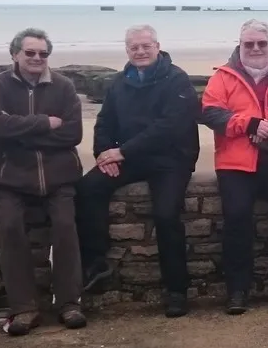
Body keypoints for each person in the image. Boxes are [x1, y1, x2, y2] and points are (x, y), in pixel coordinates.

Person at [75, 25, 201, 317]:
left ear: (157, 46)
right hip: (131, 158)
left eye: (146, 46)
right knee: (87, 188)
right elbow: (105, 121)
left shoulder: (177, 79)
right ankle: (96, 261)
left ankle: (177, 290)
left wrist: (123, 152)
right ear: (127, 50)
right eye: (134, 47)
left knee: (166, 215)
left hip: (171, 159)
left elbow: (169, 127)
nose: (140, 51)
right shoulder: (120, 82)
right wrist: (104, 155)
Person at [202, 19, 268, 314]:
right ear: (240, 45)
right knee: (237, 216)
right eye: (249, 43)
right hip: (235, 162)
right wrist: (249, 124)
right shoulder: (222, 78)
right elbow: (211, 114)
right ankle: (238, 288)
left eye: (261, 43)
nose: (255, 48)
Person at [0, 28, 88, 335]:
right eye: (30, 53)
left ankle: (69, 303)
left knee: (66, 227)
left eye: (43, 53)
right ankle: (24, 308)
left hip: (59, 177)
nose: (37, 58)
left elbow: (73, 134)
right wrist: (44, 123)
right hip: (11, 178)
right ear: (15, 54)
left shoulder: (63, 86)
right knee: (10, 227)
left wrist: (21, 135)